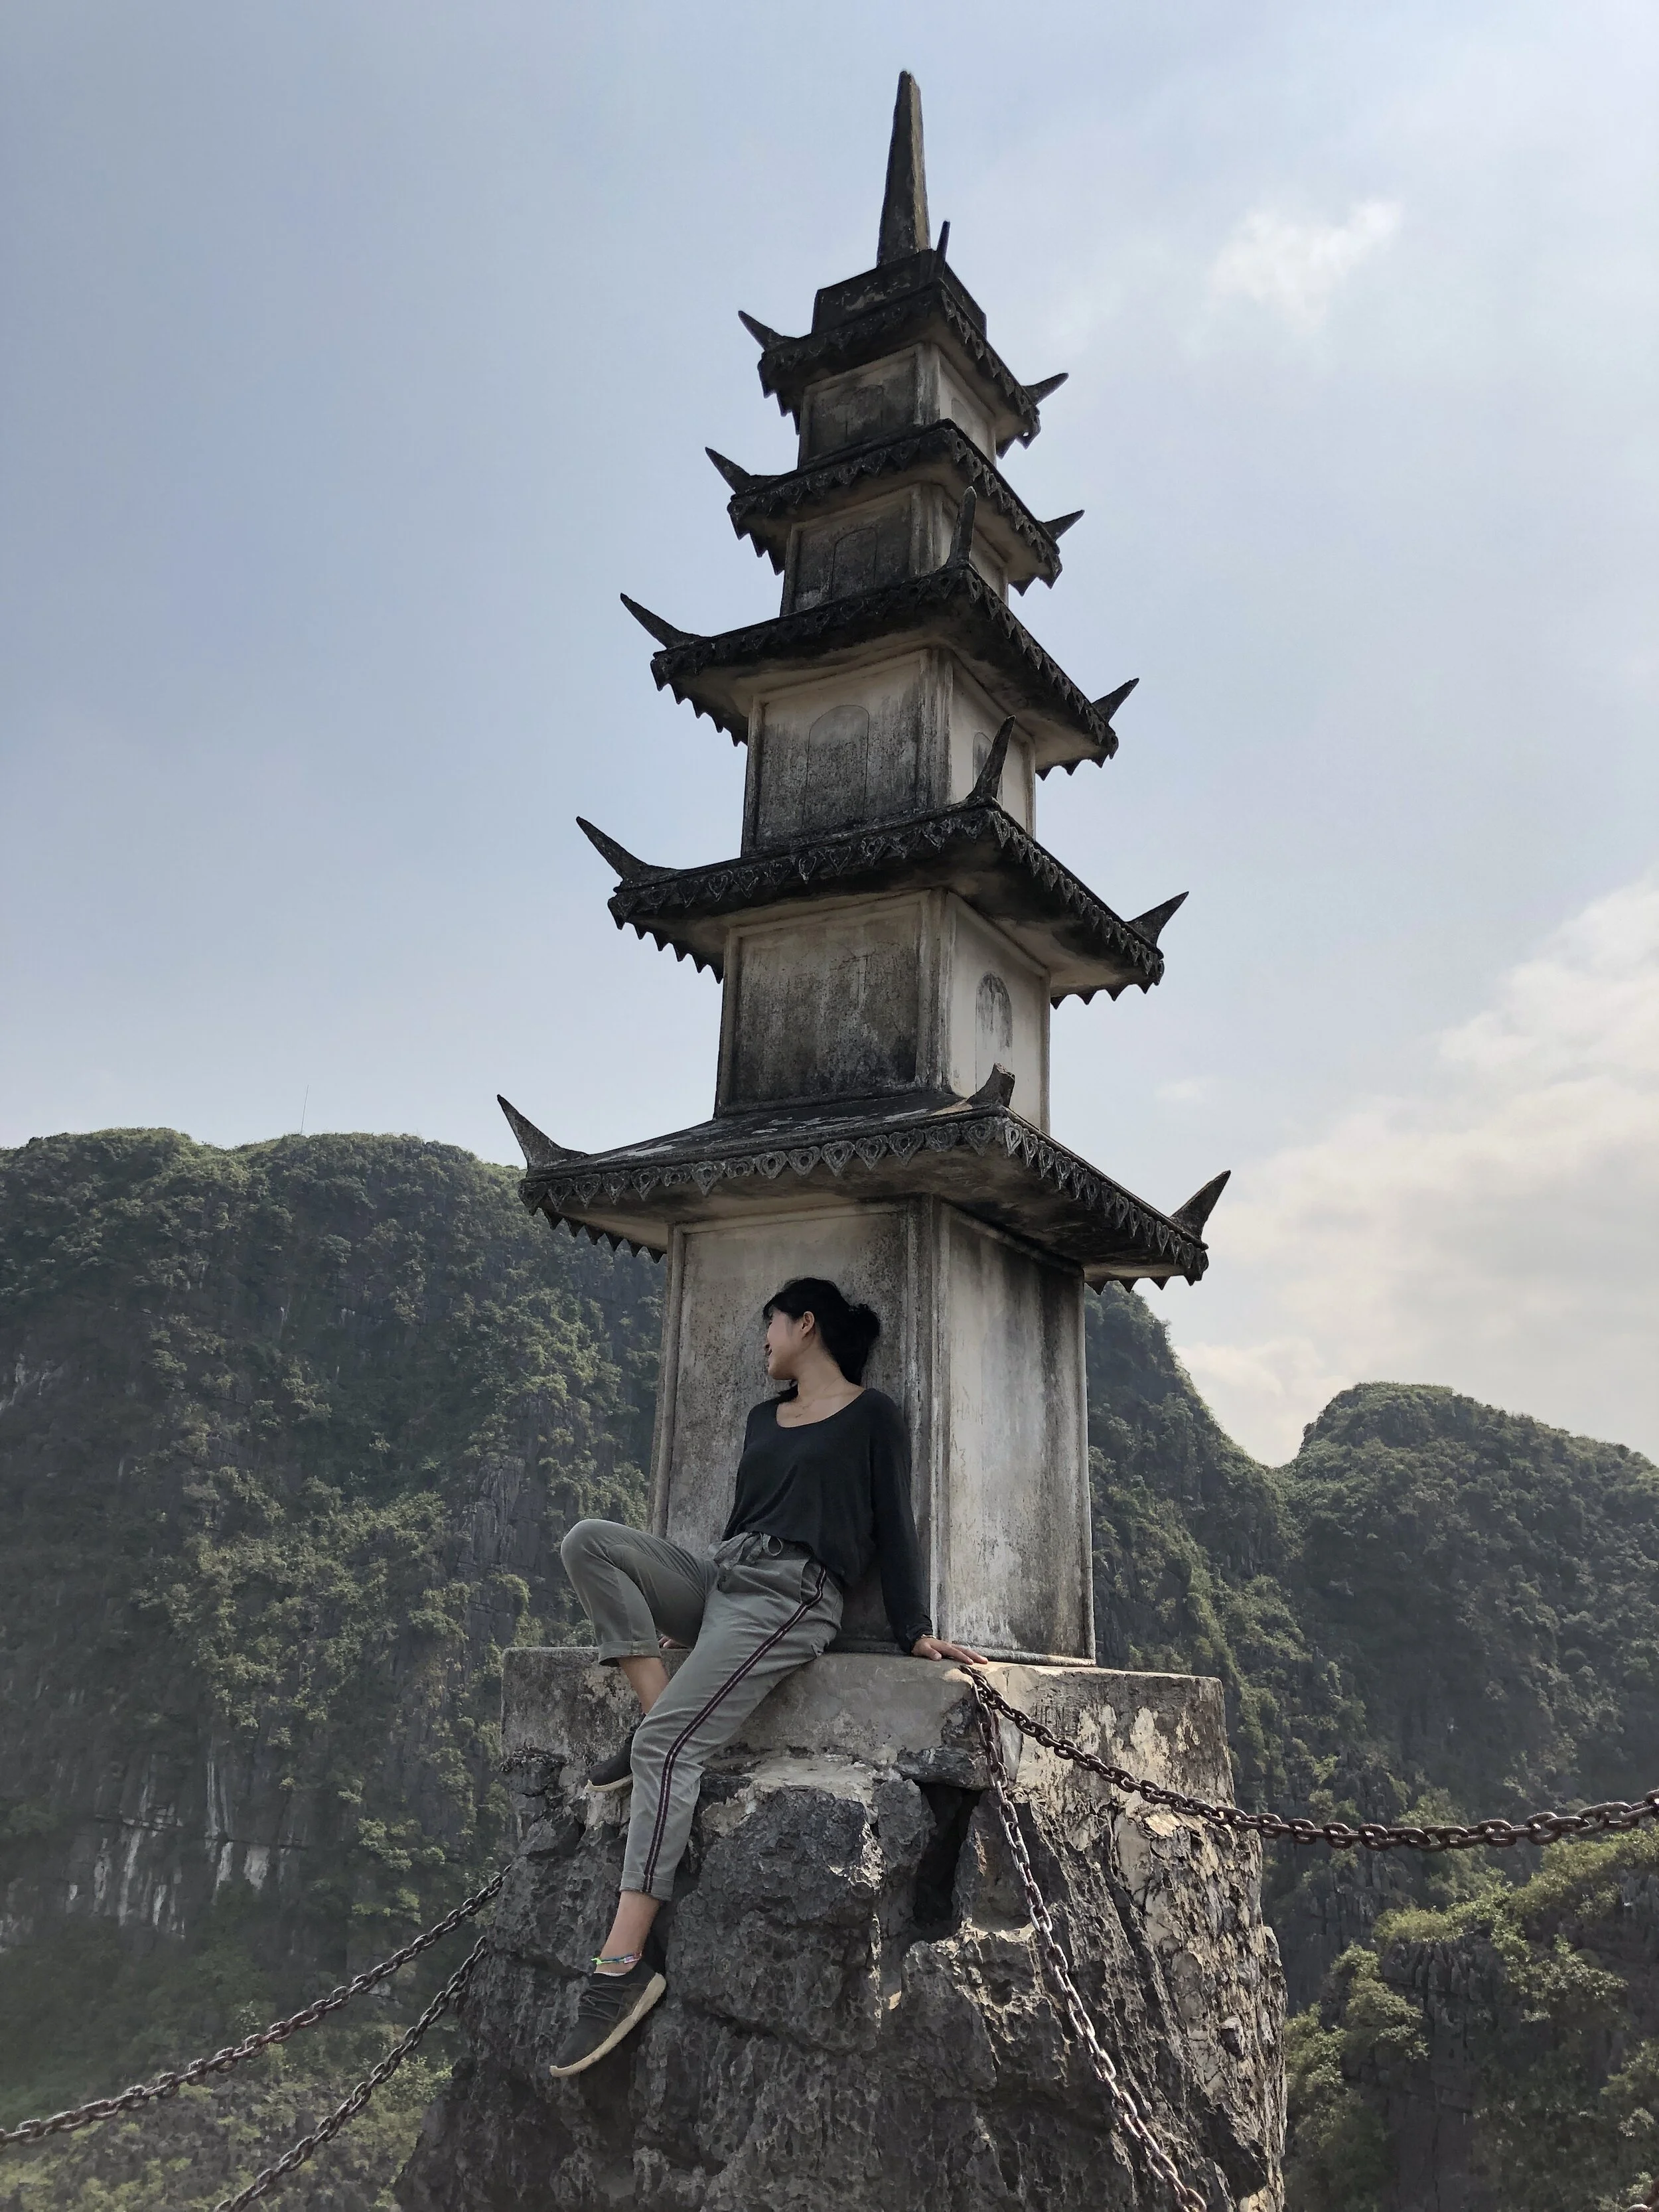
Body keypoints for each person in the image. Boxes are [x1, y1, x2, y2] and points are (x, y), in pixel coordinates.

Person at [548, 1276, 987, 2078]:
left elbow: (895, 1521)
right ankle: (656, 1720)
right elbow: (741, 1520)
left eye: (770, 1327)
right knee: (590, 1541)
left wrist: (914, 1632)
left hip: (792, 1594)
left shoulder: (871, 1416)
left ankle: (619, 1972)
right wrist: (701, 1592)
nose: (762, 1343)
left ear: (805, 1325)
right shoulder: (763, 1419)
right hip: (725, 1574)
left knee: (667, 1756)